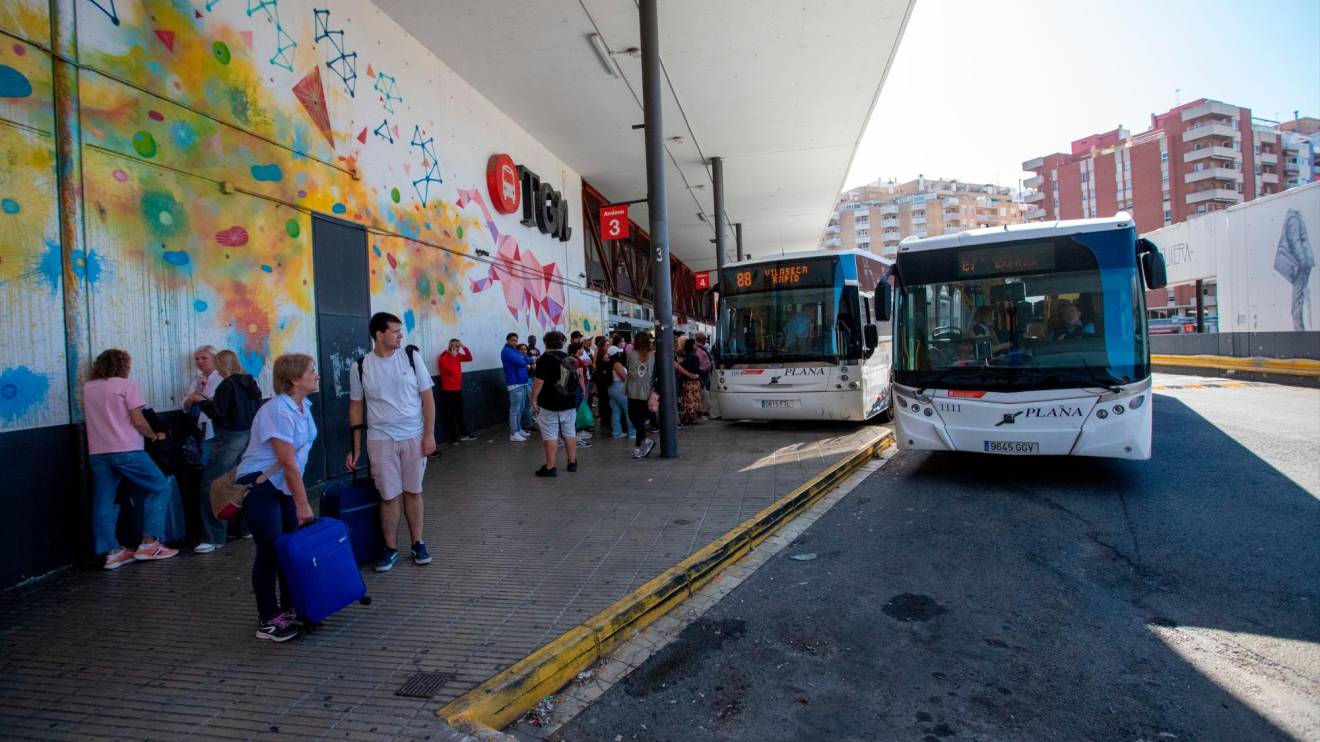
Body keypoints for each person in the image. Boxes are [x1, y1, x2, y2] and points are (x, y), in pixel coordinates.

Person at [234, 353, 318, 642]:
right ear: (294, 379)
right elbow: (287, 461)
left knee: (288, 548)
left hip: (281, 487)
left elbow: (298, 458)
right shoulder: (277, 410)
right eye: (311, 371)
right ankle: (267, 619)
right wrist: (302, 502)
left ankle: (289, 608)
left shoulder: (303, 406)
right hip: (261, 486)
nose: (316, 374)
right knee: (269, 550)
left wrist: (296, 497)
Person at [347, 312, 437, 573]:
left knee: (413, 491)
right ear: (379, 335)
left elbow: (428, 398)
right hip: (379, 440)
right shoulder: (360, 366)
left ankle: (418, 543)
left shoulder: (411, 357)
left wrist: (429, 434)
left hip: (413, 435)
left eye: (400, 331)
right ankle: (390, 548)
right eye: (395, 331)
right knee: (388, 495)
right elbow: (355, 407)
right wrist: (355, 448)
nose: (400, 335)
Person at [83, 349, 180, 570]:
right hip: (127, 450)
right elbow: (138, 420)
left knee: (104, 500)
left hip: (97, 452)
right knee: (160, 487)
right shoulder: (127, 386)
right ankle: (149, 543)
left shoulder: (89, 388)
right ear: (124, 365)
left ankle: (112, 552)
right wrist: (153, 435)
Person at [187, 349, 262, 553]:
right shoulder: (250, 382)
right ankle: (245, 528)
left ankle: (213, 537)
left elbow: (218, 412)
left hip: (229, 438)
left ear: (222, 365)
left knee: (212, 484)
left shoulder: (227, 385)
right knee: (242, 482)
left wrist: (200, 401)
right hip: (249, 436)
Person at [531, 331, 579, 476]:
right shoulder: (567, 357)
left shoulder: (544, 359)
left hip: (549, 403)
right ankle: (572, 462)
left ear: (545, 342)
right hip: (569, 401)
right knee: (570, 432)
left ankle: (550, 467)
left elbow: (539, 382)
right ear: (561, 343)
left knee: (550, 434)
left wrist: (533, 399)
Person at [624, 331, 658, 459]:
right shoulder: (653, 356)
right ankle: (638, 448)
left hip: (633, 390)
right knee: (640, 420)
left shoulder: (631, 355)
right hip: (647, 391)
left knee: (634, 417)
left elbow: (631, 373)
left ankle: (641, 445)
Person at [437, 338, 477, 444]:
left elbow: (469, 358)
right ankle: (454, 438)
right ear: (450, 346)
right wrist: (453, 357)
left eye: (458, 346)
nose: (457, 348)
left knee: (460, 413)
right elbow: (451, 370)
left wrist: (464, 347)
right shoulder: (443, 357)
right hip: (448, 390)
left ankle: (464, 434)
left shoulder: (458, 356)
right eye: (455, 346)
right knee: (451, 415)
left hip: (458, 388)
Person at [502, 333, 533, 442]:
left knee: (520, 408)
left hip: (522, 382)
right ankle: (514, 433)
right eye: (512, 340)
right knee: (515, 409)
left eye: (515, 340)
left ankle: (518, 429)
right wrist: (523, 359)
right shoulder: (507, 351)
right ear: (507, 340)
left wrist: (523, 359)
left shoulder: (515, 351)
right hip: (515, 383)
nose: (514, 342)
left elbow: (529, 359)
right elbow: (520, 361)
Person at [607, 342, 636, 439]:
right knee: (629, 410)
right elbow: (625, 378)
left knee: (616, 411)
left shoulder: (609, 363)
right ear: (617, 354)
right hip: (620, 388)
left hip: (612, 388)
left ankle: (616, 432)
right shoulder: (617, 364)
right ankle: (631, 432)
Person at [676, 337, 704, 425]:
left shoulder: (685, 356)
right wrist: (700, 372)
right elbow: (695, 370)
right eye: (695, 344)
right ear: (691, 345)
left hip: (685, 382)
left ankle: (687, 417)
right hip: (693, 381)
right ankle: (694, 418)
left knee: (687, 400)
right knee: (694, 400)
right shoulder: (694, 356)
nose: (696, 346)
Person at [591, 336, 613, 433]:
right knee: (605, 399)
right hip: (603, 380)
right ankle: (606, 419)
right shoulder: (603, 356)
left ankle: (604, 418)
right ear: (603, 347)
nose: (609, 346)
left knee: (603, 399)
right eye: (607, 345)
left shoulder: (599, 354)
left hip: (600, 380)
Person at [692, 333, 714, 419]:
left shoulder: (700, 348)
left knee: (705, 392)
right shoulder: (699, 349)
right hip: (703, 374)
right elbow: (700, 362)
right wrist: (702, 370)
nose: (706, 340)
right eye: (705, 339)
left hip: (704, 373)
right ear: (701, 339)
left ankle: (704, 410)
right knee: (703, 393)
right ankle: (703, 411)